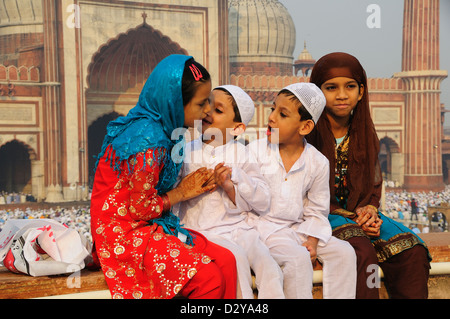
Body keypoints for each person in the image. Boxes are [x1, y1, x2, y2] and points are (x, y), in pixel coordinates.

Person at [90, 54, 237, 299]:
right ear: (175, 103)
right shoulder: (149, 140)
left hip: (151, 225)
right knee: (208, 278)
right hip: (123, 235)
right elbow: (140, 209)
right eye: (201, 104)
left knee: (226, 261)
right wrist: (181, 192)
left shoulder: (169, 131)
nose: (208, 111)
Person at [307, 52, 431, 299]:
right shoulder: (307, 133)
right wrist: (353, 218)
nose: (342, 95)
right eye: (331, 87)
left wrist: (371, 211)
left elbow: (374, 185)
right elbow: (302, 189)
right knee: (362, 251)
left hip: (362, 212)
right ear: (317, 92)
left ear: (361, 91)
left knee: (412, 251)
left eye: (350, 87)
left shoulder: (365, 133)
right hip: (320, 214)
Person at [247, 83, 357, 299]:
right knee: (297, 260)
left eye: (283, 114)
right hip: (263, 229)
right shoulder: (255, 152)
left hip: (297, 228)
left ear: (305, 127)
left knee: (345, 253)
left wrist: (312, 241)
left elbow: (317, 209)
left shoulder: (317, 162)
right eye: (273, 109)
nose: (271, 118)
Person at [177, 85, 284, 299]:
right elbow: (175, 196)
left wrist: (231, 183)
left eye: (218, 110)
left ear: (237, 128)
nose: (208, 112)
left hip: (238, 228)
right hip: (202, 230)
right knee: (236, 261)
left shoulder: (242, 154)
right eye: (206, 104)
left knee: (268, 265)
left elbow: (262, 200)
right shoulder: (185, 152)